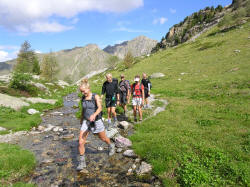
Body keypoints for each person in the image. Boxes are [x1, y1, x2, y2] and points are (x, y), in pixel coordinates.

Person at [77, 79, 115, 171]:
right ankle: (82, 163)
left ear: (88, 88)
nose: (83, 93)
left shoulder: (95, 96)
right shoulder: (83, 98)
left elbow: (100, 108)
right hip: (86, 121)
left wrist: (94, 115)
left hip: (97, 121)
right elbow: (83, 109)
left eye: (84, 91)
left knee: (103, 138)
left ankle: (111, 145)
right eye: (81, 92)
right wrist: (82, 119)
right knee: (81, 142)